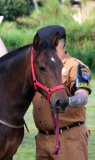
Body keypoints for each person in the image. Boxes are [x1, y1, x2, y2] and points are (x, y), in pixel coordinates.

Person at [32, 25, 92, 160]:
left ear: (58, 43)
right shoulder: (40, 67)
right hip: (42, 139)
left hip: (68, 139)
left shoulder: (75, 66)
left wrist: (67, 101)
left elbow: (83, 96)